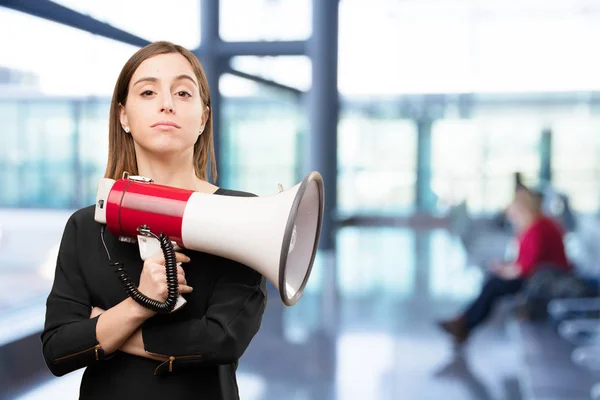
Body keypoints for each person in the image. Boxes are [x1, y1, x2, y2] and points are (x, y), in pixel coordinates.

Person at [41, 41, 267, 400]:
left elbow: (221, 340)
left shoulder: (242, 216)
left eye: (182, 92)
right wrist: (140, 302)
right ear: (123, 116)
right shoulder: (87, 226)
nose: (167, 103)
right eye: (148, 91)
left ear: (203, 118)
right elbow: (57, 350)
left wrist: (106, 327)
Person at [438, 186, 570, 345]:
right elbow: (525, 260)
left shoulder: (538, 228)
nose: (511, 216)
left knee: (493, 284)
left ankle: (464, 323)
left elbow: (527, 268)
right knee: (493, 281)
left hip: (547, 280)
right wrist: (505, 267)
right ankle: (464, 322)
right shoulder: (534, 225)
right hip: (540, 276)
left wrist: (505, 270)